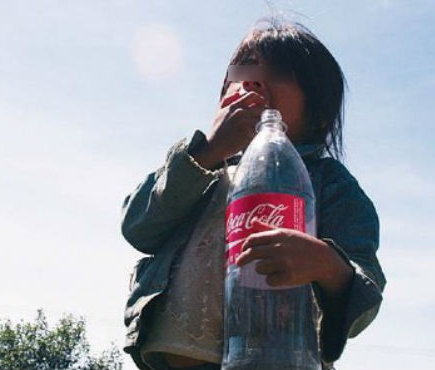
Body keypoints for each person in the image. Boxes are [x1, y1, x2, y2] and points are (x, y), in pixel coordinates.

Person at [120, 18, 386, 370]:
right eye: (242, 70)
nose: (253, 80)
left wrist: (327, 266)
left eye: (277, 71)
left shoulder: (329, 184)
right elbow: (138, 226)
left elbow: (364, 292)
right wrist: (207, 151)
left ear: (319, 115)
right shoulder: (199, 170)